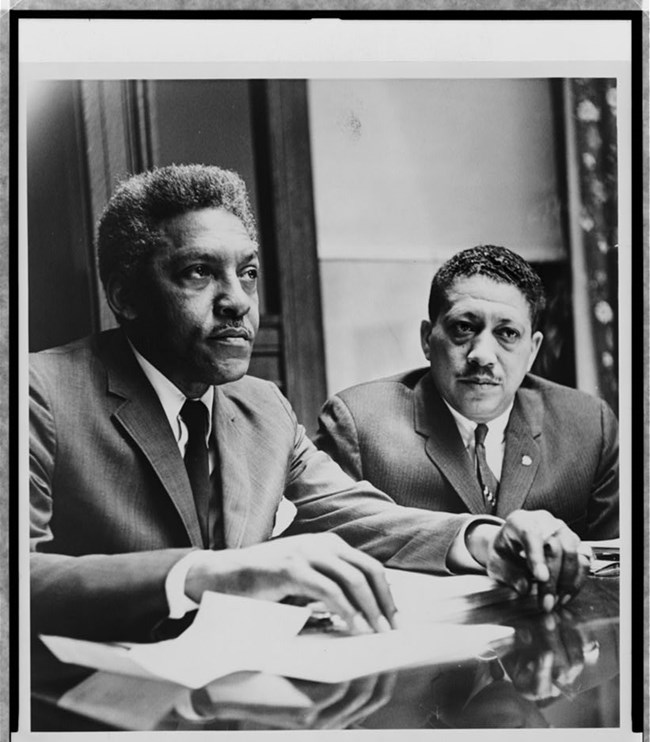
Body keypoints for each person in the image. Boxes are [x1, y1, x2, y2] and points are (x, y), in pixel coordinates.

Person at [30, 172, 588, 645]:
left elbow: (361, 514)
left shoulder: (261, 406)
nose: (239, 301)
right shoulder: (41, 392)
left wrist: (488, 540)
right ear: (125, 295)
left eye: (247, 272)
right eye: (198, 272)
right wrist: (206, 574)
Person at [316, 245, 618, 609]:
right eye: (464, 328)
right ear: (428, 339)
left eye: (507, 333)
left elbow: (617, 571)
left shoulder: (588, 424)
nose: (482, 355)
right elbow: (319, 553)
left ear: (533, 351)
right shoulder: (359, 423)